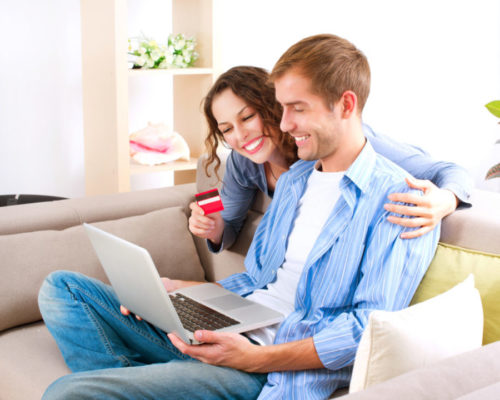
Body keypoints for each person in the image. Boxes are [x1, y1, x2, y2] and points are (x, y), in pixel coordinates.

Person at [39, 34, 441, 399]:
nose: (284, 124)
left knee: (66, 394)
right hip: (228, 327)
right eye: (281, 108)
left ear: (346, 105)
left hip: (267, 364)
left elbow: (367, 330)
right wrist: (181, 293)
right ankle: (155, 380)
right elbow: (256, 281)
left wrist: (252, 359)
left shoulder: (402, 199)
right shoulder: (296, 179)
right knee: (63, 288)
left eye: (297, 109)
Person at [189, 66, 471, 252]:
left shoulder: (345, 144)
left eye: (248, 117)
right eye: (226, 129)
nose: (240, 136)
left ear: (275, 106)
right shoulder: (243, 163)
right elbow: (228, 223)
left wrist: (445, 200)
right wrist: (213, 228)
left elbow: (448, 170)